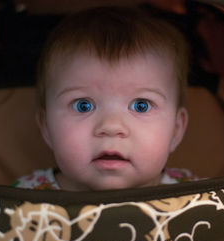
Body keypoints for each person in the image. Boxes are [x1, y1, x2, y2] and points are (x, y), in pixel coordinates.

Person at [12, 6, 199, 191]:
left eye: (141, 105)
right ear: (46, 126)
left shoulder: (198, 198)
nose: (111, 127)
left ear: (175, 130)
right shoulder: (20, 198)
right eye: (83, 106)